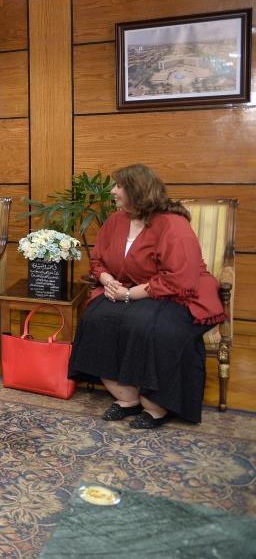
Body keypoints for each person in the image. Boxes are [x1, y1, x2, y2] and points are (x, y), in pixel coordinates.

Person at [68, 164, 224, 428]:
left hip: (178, 294)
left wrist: (129, 293)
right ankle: (127, 398)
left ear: (137, 191)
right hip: (127, 289)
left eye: (119, 186)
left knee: (148, 326)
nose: (112, 191)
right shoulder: (116, 220)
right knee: (95, 317)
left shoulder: (173, 224)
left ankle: (157, 405)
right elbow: (98, 260)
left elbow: (179, 279)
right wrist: (108, 280)